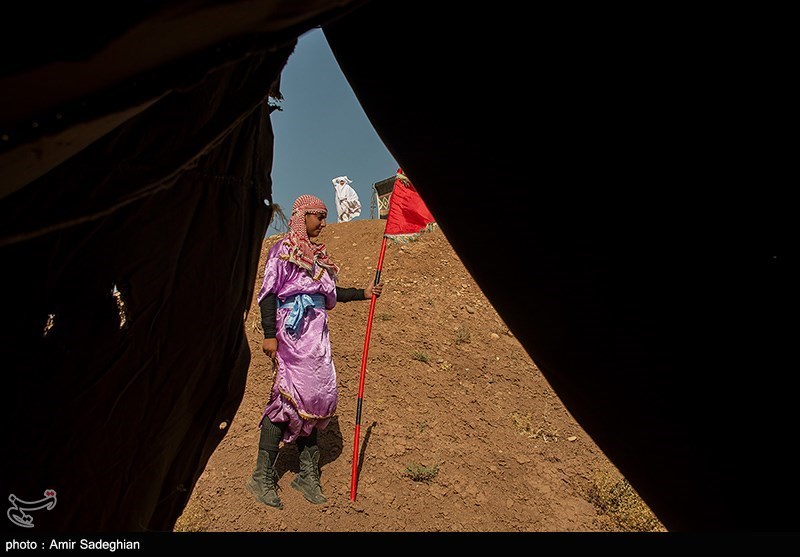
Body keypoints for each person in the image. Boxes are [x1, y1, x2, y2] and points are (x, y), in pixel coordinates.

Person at [246, 194, 383, 509]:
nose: (323, 222)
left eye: (324, 217)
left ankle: (307, 475)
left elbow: (331, 294)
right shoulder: (283, 251)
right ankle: (261, 475)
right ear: (301, 216)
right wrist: (270, 335)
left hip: (317, 341)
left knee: (318, 399)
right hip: (291, 336)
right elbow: (268, 293)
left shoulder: (319, 257)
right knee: (286, 397)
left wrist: (364, 293)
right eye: (318, 216)